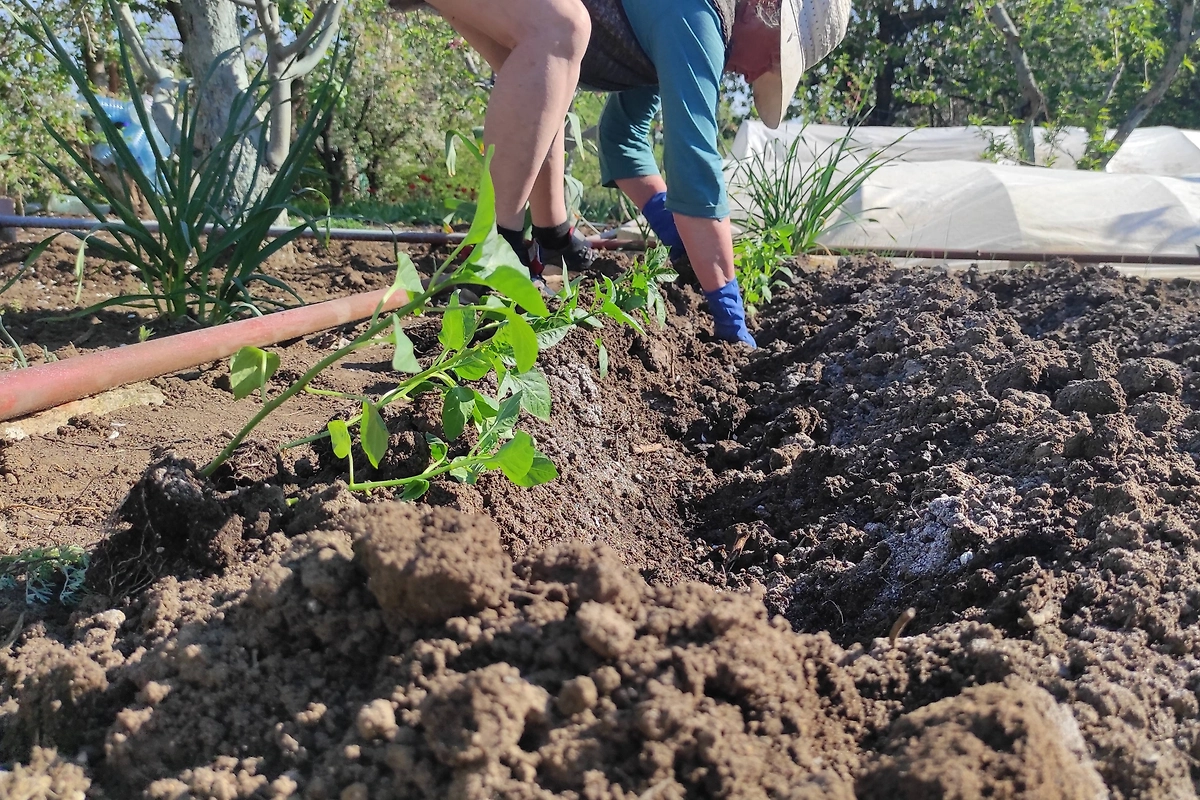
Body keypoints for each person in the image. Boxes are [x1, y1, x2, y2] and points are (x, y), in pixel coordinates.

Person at [398, 0, 849, 347]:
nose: (755, 76)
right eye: (773, 58)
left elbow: (623, 137)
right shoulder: (699, 15)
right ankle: (495, 252)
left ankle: (552, 234)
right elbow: (696, 168)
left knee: (543, 71)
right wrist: (728, 313)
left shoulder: (678, 25)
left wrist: (675, 233)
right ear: (764, 6)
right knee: (559, 29)